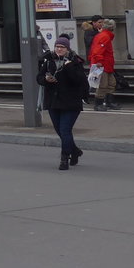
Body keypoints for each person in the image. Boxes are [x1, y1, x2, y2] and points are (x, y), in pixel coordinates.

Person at [37, 35, 87, 169]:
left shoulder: (75, 61)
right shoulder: (49, 61)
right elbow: (39, 77)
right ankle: (75, 151)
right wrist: (46, 80)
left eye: (62, 47)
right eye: (57, 47)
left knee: (65, 130)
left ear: (67, 49)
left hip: (71, 102)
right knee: (60, 130)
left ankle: (64, 158)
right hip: (53, 102)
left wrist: (69, 67)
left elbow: (79, 80)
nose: (59, 49)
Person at [88, 18, 120, 110]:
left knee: (110, 83)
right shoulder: (105, 37)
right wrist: (99, 61)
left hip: (105, 64)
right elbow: (98, 51)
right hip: (103, 65)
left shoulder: (104, 36)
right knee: (103, 84)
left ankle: (107, 102)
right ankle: (99, 104)